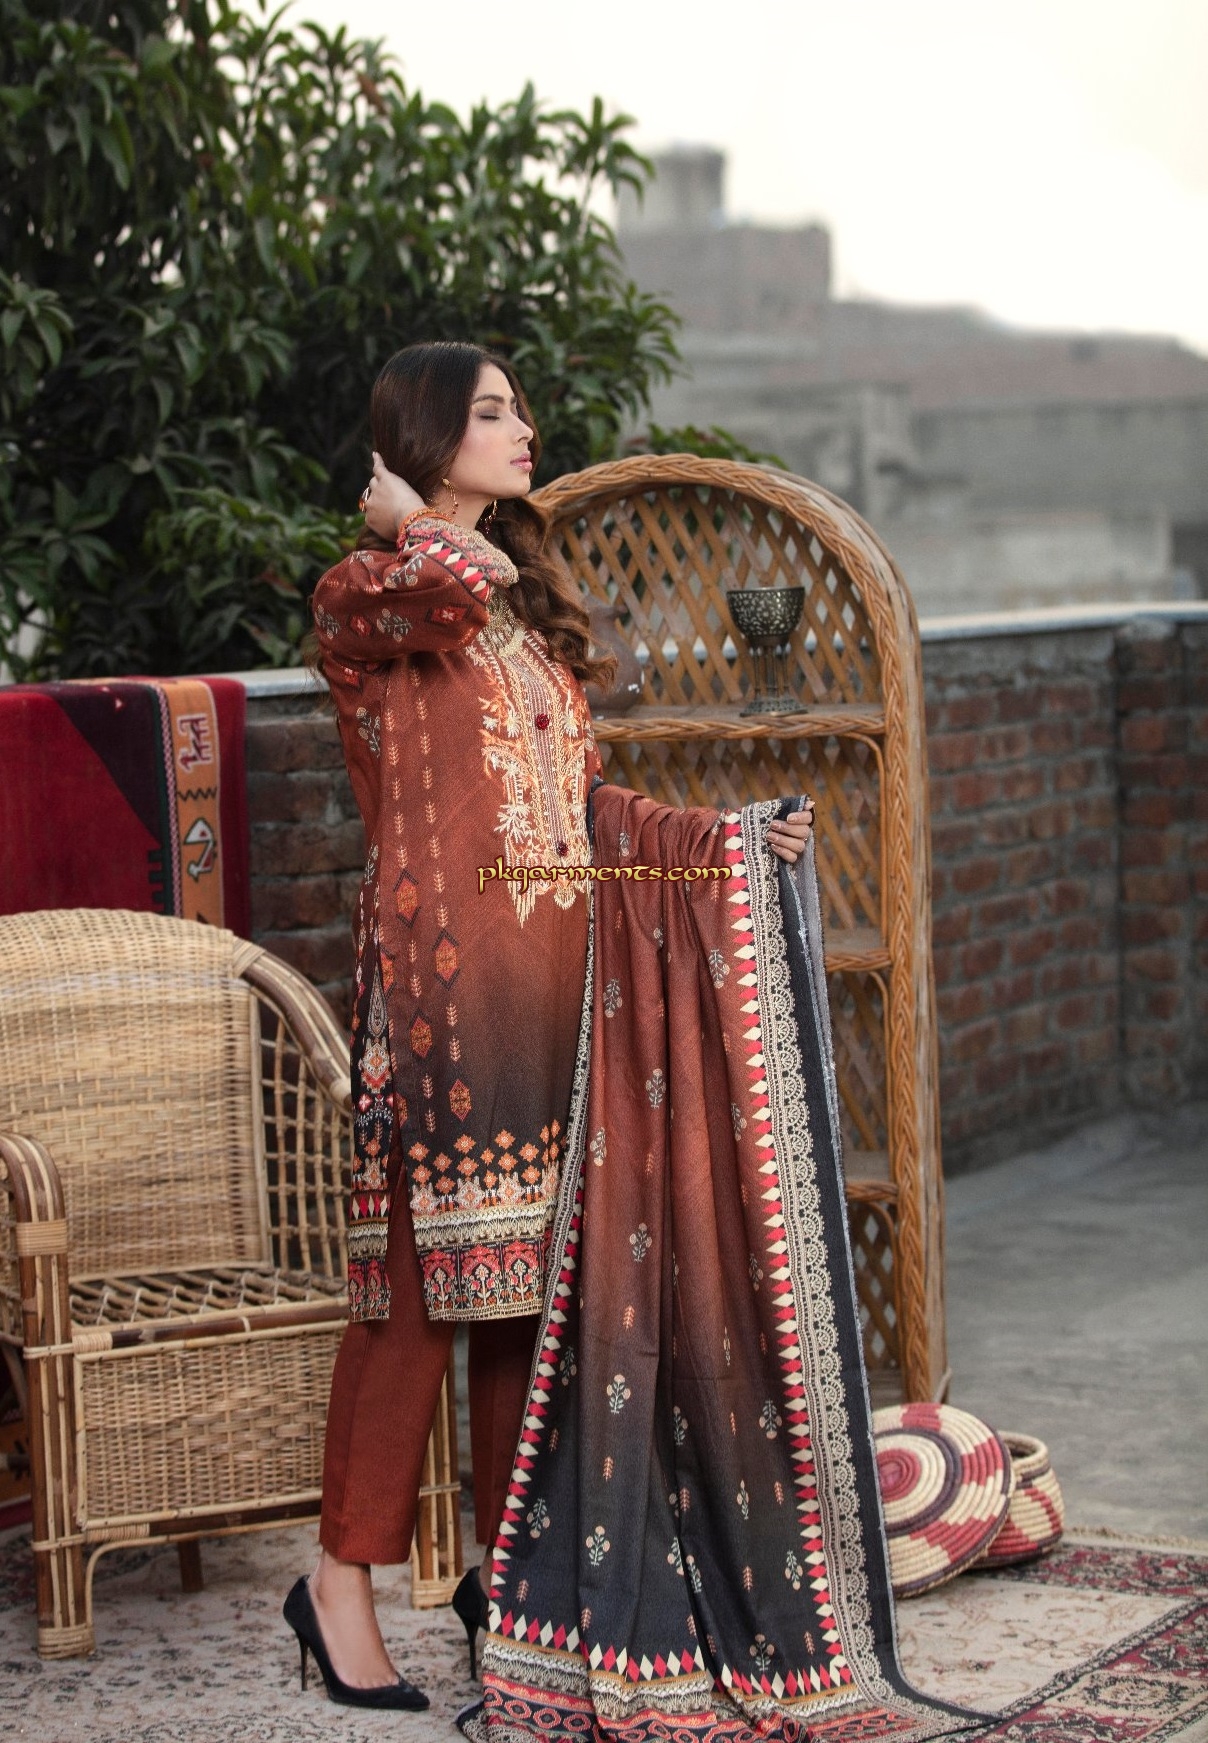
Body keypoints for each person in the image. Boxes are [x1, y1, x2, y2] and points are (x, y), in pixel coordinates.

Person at [283, 341, 815, 1711]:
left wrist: (720, 844)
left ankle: (507, 1586)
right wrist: (414, 523)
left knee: (524, 1301)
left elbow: (583, 814)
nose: (525, 430)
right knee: (412, 1301)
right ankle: (338, 1582)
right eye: (493, 412)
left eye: (521, 410)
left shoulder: (521, 626)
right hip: (443, 996)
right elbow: (451, 592)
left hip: (555, 991)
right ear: (423, 437)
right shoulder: (370, 595)